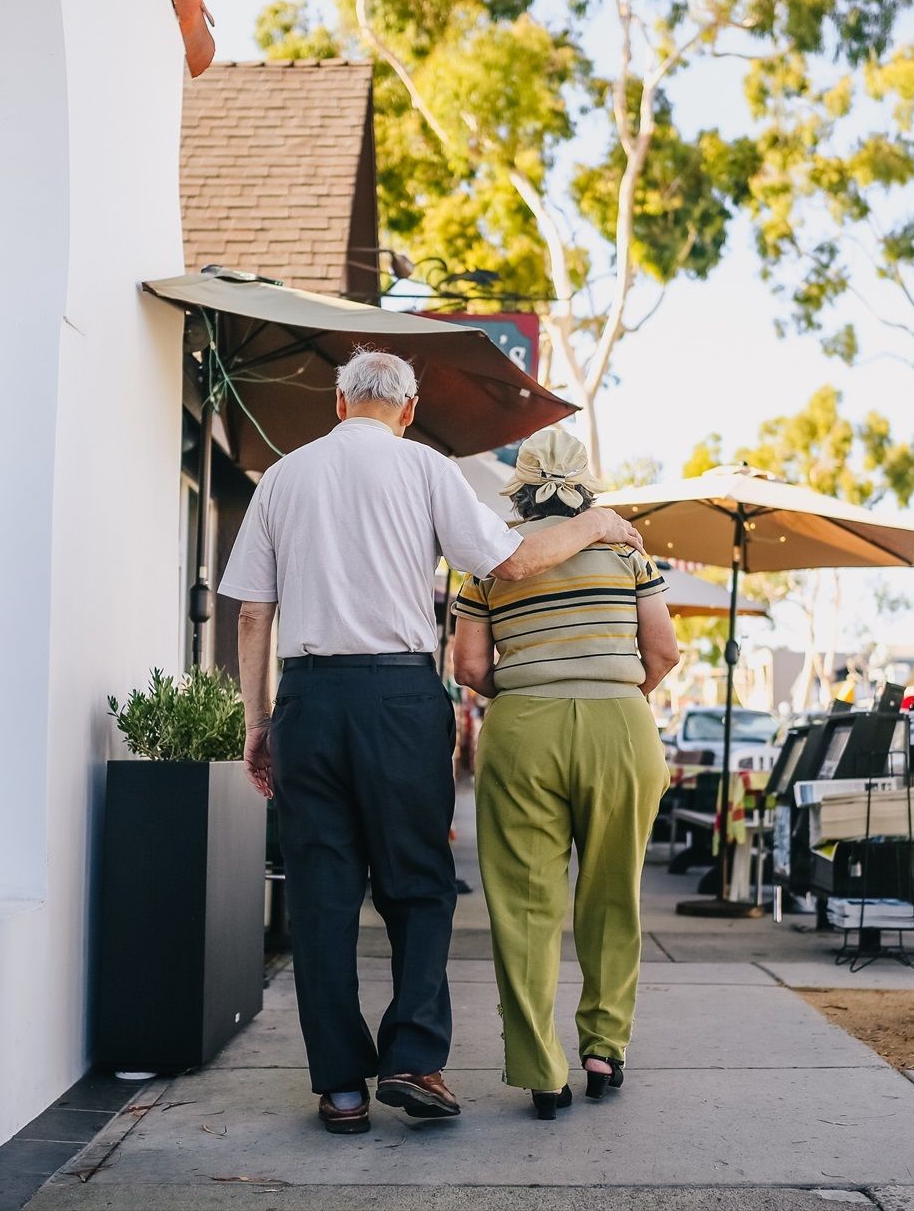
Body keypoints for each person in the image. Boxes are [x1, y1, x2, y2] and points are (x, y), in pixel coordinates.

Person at [219, 349, 646, 1137]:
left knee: (321, 896)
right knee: (417, 883)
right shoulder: (428, 470)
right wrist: (591, 523)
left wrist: (259, 722)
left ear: (339, 403)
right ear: (407, 410)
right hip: (398, 697)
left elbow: (251, 613)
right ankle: (414, 1061)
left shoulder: (283, 477)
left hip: (308, 697)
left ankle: (342, 1089)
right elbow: (512, 563)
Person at [450, 428, 680, 1120]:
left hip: (523, 729)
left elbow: (467, 667)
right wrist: (610, 692)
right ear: (586, 485)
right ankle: (605, 1047)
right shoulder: (625, 554)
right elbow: (663, 652)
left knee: (524, 906)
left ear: (519, 486)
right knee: (614, 894)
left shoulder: (492, 564)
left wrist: (529, 691)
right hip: (621, 726)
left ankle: (541, 1069)